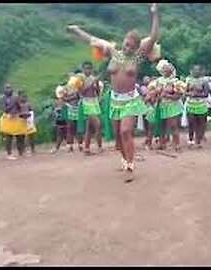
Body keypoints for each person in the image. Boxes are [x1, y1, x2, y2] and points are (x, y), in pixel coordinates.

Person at [67, 3, 160, 181]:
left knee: (126, 131)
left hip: (131, 101)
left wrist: (155, 14)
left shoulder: (138, 56)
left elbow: (154, 36)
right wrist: (76, 30)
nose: (128, 48)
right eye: (126, 44)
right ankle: (125, 159)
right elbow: (92, 40)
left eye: (132, 46)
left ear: (136, 47)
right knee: (118, 137)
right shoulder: (113, 52)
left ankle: (131, 163)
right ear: (123, 41)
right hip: (115, 100)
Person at [150, 60, 184, 152]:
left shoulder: (176, 82)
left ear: (171, 70)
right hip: (161, 105)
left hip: (172, 105)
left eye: (167, 68)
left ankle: (177, 144)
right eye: (164, 68)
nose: (165, 70)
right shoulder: (158, 80)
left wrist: (168, 95)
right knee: (162, 125)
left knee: (173, 125)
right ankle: (162, 143)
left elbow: (178, 96)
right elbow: (154, 93)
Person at [79, 61, 104, 155]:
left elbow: (97, 92)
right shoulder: (81, 79)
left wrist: (96, 83)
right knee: (98, 124)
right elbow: (81, 92)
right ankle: (99, 146)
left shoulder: (93, 78)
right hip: (86, 102)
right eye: (86, 68)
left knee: (89, 127)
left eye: (89, 68)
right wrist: (91, 83)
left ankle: (87, 148)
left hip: (94, 102)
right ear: (83, 69)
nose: (88, 70)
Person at [0, 84, 27, 160]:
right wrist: (12, 103)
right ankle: (9, 154)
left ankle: (21, 152)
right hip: (7, 118)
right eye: (7, 88)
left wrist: (23, 113)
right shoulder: (3, 99)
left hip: (16, 118)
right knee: (9, 136)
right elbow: (4, 109)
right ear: (4, 90)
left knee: (20, 136)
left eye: (10, 88)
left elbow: (20, 107)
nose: (9, 89)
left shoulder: (15, 98)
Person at [185, 65, 210, 148]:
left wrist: (198, 95)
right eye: (194, 70)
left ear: (201, 71)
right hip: (191, 104)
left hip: (201, 104)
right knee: (191, 122)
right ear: (192, 71)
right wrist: (190, 94)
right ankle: (190, 139)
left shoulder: (204, 81)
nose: (196, 72)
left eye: (198, 70)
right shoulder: (189, 80)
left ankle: (198, 140)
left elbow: (206, 94)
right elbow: (185, 92)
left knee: (201, 123)